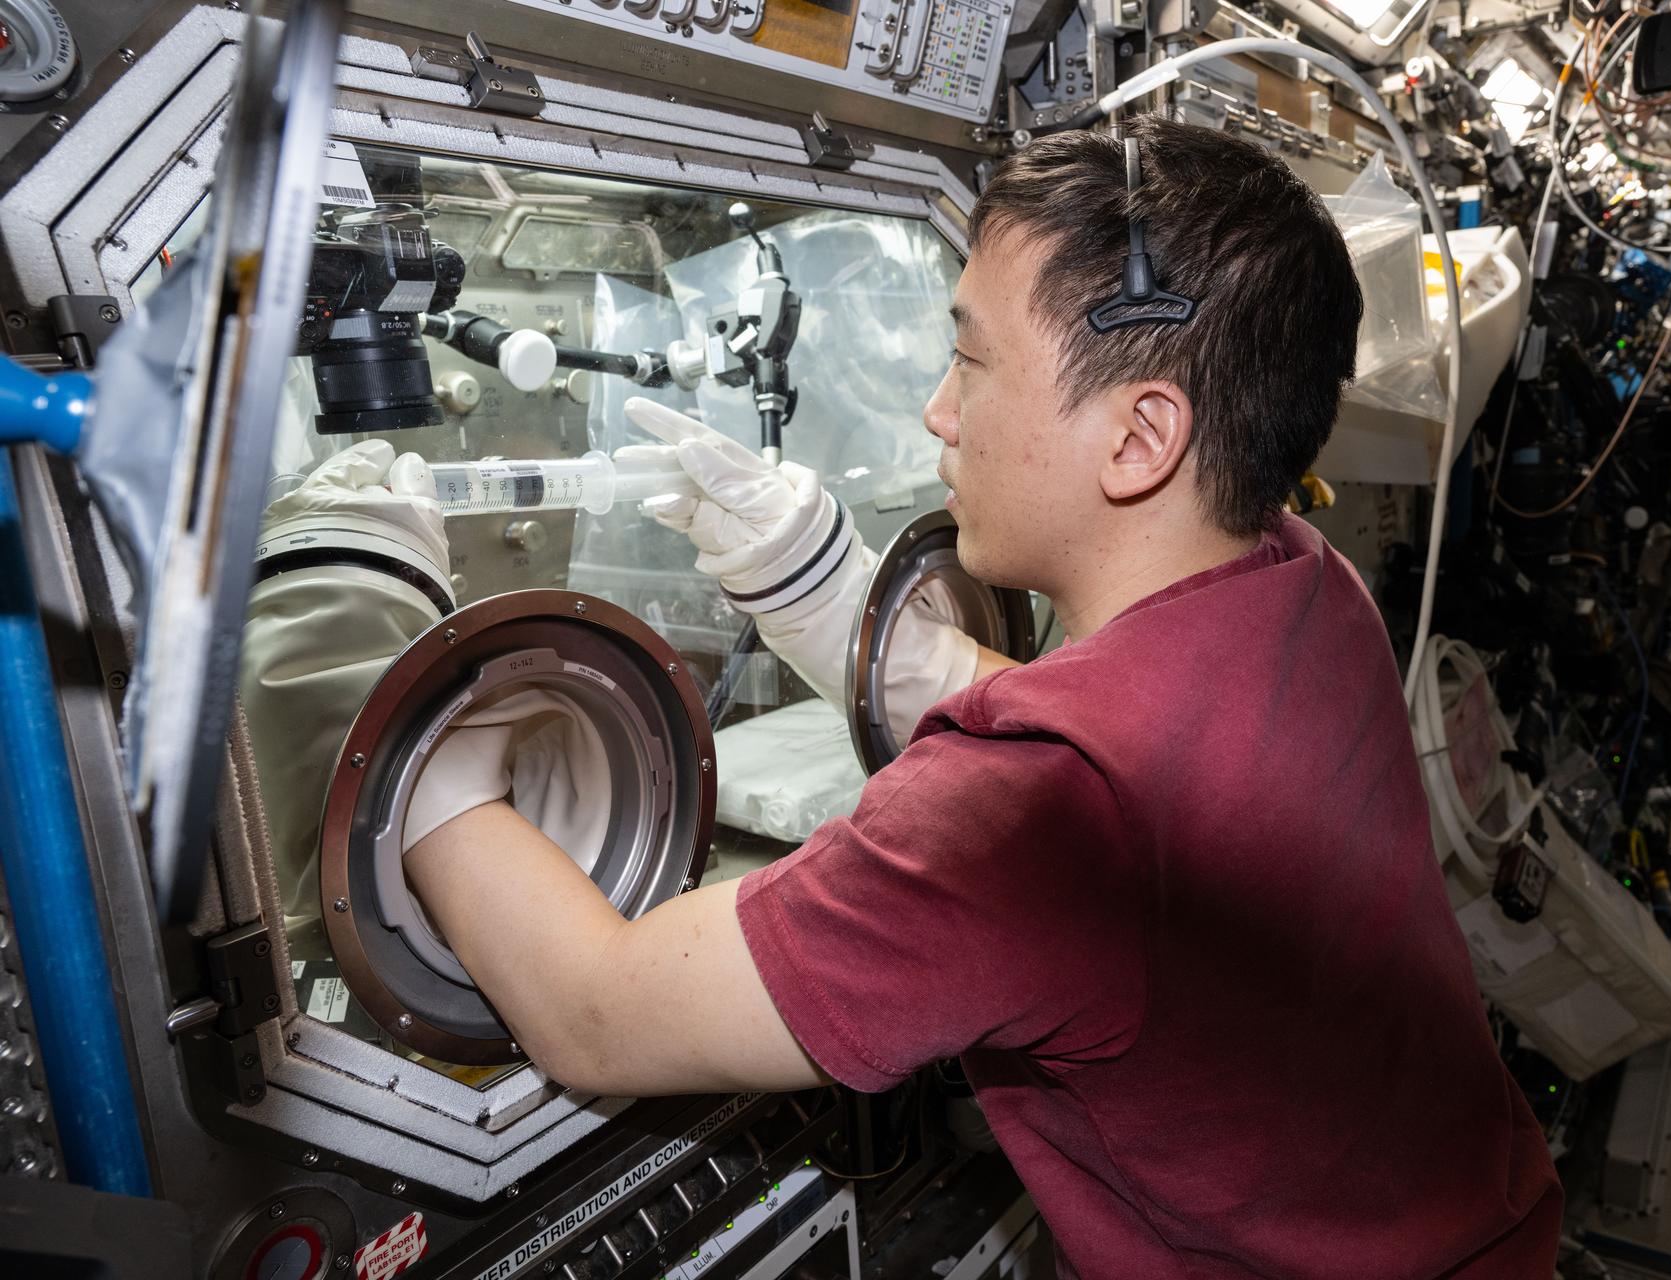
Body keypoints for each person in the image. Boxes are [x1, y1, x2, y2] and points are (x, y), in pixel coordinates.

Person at [393, 118, 1562, 1276]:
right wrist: (833, 600)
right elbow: (1142, 748)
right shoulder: (1307, 582)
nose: (937, 413)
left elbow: (595, 1013)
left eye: (973, 360)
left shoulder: (1026, 818)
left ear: (1142, 434)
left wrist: (411, 729)